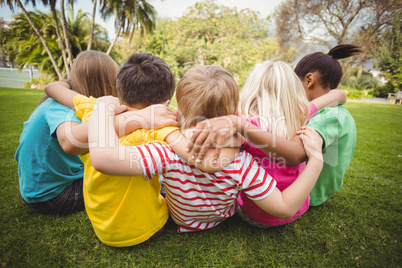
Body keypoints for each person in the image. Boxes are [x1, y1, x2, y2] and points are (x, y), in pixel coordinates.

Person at [87, 65, 325, 233]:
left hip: (179, 218)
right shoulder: (243, 162)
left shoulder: (165, 150)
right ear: (235, 114)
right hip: (221, 220)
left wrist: (102, 108)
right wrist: (316, 161)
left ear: (178, 112)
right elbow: (284, 208)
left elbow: (103, 158)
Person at [184, 61, 346, 227]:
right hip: (298, 207)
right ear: (293, 91)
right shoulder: (302, 113)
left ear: (252, 89)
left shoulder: (246, 124)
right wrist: (340, 95)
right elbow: (339, 95)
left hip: (256, 214)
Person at [45, 52, 178, 247]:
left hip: (104, 229)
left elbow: (52, 88)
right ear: (165, 103)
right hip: (147, 229)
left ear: (121, 92)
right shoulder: (161, 129)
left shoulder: (95, 109)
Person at [14, 50, 119, 216]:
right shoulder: (62, 109)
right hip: (52, 196)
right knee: (125, 177)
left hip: (41, 189)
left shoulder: (68, 102)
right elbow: (70, 141)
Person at [294, 44, 361, 206]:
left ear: (309, 80)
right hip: (315, 190)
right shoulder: (338, 112)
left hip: (307, 192)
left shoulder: (329, 115)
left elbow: (295, 154)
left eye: (295, 84)